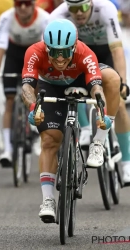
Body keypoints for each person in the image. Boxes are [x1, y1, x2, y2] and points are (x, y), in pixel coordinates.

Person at [21, 19, 120, 222]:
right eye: (54, 52)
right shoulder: (34, 51)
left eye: (65, 52)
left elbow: (96, 87)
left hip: (79, 79)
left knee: (113, 79)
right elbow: (27, 88)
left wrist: (101, 108)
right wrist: (34, 108)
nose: (59, 58)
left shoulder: (85, 53)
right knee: (49, 141)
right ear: (46, 47)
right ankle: (48, 201)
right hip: (50, 85)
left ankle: (98, 143)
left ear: (74, 47)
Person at [48, 0, 130, 184]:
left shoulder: (106, 8)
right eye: (73, 8)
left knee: (120, 104)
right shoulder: (57, 16)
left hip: (105, 51)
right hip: (79, 56)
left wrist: (122, 82)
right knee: (72, 91)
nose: (78, 13)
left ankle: (126, 162)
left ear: (91, 4)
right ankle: (85, 128)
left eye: (83, 7)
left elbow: (117, 50)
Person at [0, 0, 50, 168]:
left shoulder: (44, 18)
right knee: (9, 100)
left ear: (33, 5)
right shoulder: (6, 18)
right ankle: (7, 149)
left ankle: (35, 126)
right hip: (14, 54)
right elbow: (0, 48)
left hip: (36, 53)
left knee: (35, 93)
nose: (22, 7)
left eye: (27, 3)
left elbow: (47, 50)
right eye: (18, 3)